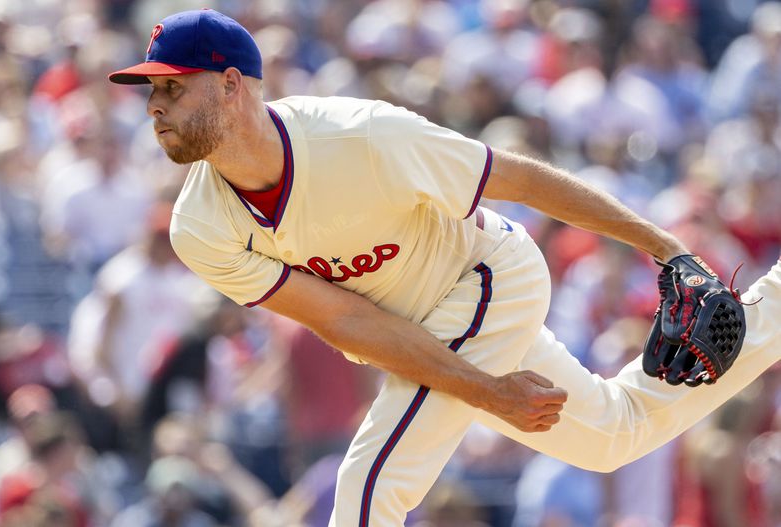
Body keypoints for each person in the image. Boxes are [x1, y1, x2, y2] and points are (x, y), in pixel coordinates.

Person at [107, 9, 781, 526]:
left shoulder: (357, 136)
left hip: (487, 277)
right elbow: (345, 319)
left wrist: (664, 246)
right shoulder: (197, 226)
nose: (155, 107)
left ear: (230, 85)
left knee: (369, 485)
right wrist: (483, 388)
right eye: (150, 92)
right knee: (614, 434)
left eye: (171, 87)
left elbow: (513, 176)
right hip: (424, 328)